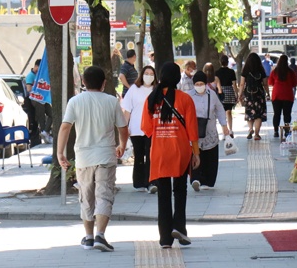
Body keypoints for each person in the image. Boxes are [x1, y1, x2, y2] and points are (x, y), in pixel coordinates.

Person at [57, 66, 129, 252]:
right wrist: (122, 145)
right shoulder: (112, 101)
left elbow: (65, 127)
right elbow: (122, 127)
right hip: (106, 154)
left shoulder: (75, 101)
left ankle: (88, 237)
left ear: (83, 82)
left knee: (86, 196)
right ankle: (100, 235)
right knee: (104, 194)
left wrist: (60, 153)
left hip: (83, 156)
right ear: (104, 83)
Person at [141, 62, 200, 249]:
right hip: (180, 151)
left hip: (159, 152)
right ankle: (179, 227)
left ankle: (165, 238)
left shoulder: (151, 99)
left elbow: (147, 128)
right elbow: (192, 129)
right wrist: (196, 153)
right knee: (180, 190)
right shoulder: (185, 99)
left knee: (163, 194)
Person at [188, 71, 229, 191]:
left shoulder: (212, 94)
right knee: (195, 154)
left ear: (205, 84)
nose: (199, 86)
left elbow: (220, 110)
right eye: (197, 83)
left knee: (210, 156)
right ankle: (195, 179)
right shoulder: (188, 95)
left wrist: (224, 125)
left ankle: (208, 181)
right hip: (194, 130)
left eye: (202, 83)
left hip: (210, 129)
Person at [121, 65, 158, 194]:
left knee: (150, 155)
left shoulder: (156, 90)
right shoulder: (134, 89)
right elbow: (127, 110)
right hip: (136, 128)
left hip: (152, 129)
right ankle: (139, 182)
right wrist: (125, 127)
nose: (148, 76)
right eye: (146, 73)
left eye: (151, 73)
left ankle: (151, 182)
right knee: (139, 156)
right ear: (142, 75)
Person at [238, 53, 269, 140]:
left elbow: (241, 84)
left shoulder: (245, 70)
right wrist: (268, 93)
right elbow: (265, 84)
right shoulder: (261, 70)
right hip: (259, 94)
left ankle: (250, 129)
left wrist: (240, 94)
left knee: (249, 112)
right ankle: (256, 134)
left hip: (248, 94)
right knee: (258, 114)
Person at [268, 55, 297, 138]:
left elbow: (270, 82)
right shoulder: (291, 72)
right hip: (288, 95)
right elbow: (294, 83)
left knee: (276, 114)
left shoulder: (275, 71)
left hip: (276, 95)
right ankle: (287, 131)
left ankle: (276, 131)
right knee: (287, 114)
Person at [26, 59, 53, 144]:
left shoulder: (41, 75)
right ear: (36, 66)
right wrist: (38, 88)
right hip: (36, 99)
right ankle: (44, 133)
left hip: (43, 99)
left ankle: (45, 131)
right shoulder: (30, 76)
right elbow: (29, 89)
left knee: (52, 114)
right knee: (41, 118)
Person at [215, 55, 238, 138]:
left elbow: (216, 84)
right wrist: (237, 94)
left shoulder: (217, 72)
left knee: (222, 113)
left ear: (220, 62)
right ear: (228, 62)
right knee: (229, 112)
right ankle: (231, 130)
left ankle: (224, 132)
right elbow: (234, 84)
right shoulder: (231, 72)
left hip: (220, 92)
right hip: (229, 92)